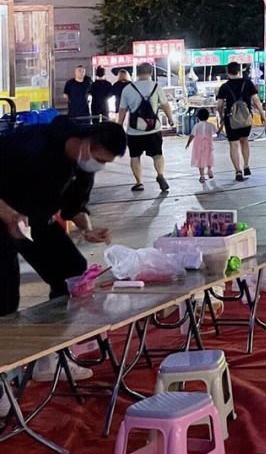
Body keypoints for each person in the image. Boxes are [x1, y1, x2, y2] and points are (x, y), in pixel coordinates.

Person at [0, 118, 125, 321]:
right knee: (4, 292)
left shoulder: (83, 167)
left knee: (71, 268)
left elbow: (74, 205)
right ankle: (8, 344)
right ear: (86, 143)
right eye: (100, 160)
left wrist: (87, 229)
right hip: (4, 212)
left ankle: (56, 333)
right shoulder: (33, 143)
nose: (100, 166)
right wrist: (11, 216)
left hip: (32, 219)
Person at [118, 63, 174, 193]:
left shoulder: (127, 88)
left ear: (137, 73)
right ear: (151, 73)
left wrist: (119, 126)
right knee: (157, 155)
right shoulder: (156, 87)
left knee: (135, 156)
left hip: (134, 131)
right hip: (153, 129)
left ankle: (139, 182)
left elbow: (122, 110)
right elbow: (165, 105)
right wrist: (170, 119)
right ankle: (160, 174)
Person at [217, 61, 260, 180]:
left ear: (227, 72)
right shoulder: (248, 83)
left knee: (233, 144)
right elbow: (256, 100)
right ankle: (246, 165)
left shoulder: (224, 87)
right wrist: (262, 114)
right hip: (245, 118)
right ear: (239, 71)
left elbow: (219, 105)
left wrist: (221, 117)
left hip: (231, 119)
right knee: (245, 141)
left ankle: (238, 171)